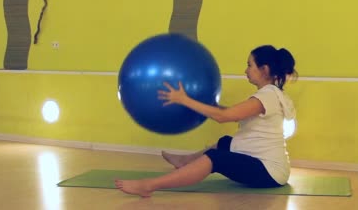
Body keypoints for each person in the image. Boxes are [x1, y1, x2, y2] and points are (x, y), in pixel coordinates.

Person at [115, 45, 297, 197]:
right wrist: (198, 103)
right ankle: (184, 162)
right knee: (225, 142)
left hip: (269, 172)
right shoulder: (271, 94)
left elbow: (223, 117)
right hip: (271, 168)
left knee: (215, 158)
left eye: (250, 65)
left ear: (264, 69)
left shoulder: (267, 96)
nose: (246, 70)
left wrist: (183, 100)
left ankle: (149, 186)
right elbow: (229, 112)